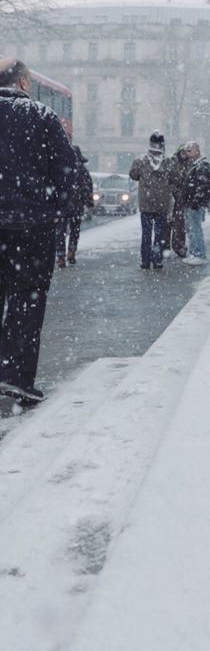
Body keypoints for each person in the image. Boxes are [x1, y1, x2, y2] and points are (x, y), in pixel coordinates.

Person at [0, 57, 77, 407]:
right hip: (32, 227)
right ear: (24, 83)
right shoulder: (43, 117)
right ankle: (16, 379)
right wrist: (55, 212)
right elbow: (66, 171)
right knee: (27, 302)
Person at [129, 132, 175, 271]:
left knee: (146, 233)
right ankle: (157, 260)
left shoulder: (140, 160)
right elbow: (175, 179)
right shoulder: (168, 162)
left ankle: (145, 261)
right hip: (162, 202)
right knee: (159, 234)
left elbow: (133, 175)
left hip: (146, 202)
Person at [56, 145, 94, 268]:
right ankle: (71, 252)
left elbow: (55, 186)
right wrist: (89, 203)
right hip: (77, 205)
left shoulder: (61, 169)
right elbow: (88, 189)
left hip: (63, 205)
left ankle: (61, 256)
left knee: (60, 231)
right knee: (75, 230)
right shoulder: (83, 170)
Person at [183, 140, 210, 264]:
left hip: (195, 203)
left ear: (196, 151)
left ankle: (198, 254)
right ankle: (194, 252)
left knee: (195, 229)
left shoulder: (202, 165)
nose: (187, 154)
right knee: (192, 229)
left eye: (189, 151)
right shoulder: (196, 165)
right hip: (191, 202)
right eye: (186, 151)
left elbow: (202, 185)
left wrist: (196, 199)